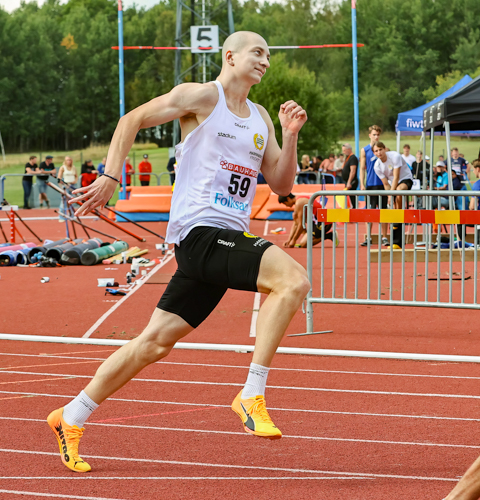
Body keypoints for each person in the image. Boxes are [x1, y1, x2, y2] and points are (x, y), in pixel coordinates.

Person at [47, 31, 310, 473]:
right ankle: (252, 394)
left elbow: (282, 184)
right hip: (200, 233)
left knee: (153, 343)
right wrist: (111, 175)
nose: (266, 60)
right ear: (230, 56)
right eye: (257, 52)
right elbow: (131, 119)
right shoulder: (202, 97)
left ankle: (70, 416)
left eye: (269, 55)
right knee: (293, 280)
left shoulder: (261, 117)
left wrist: (289, 135)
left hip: (223, 241)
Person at [373, 142, 413, 248]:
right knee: (393, 205)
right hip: (392, 185)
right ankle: (397, 236)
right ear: (374, 153)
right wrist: (389, 196)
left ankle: (398, 216)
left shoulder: (395, 156)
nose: (379, 152)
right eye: (376, 151)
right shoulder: (377, 166)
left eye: (380, 150)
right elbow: (386, 184)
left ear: (385, 149)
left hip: (405, 179)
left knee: (399, 191)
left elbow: (396, 177)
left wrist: (391, 195)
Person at [359, 125, 388, 247]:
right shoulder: (365, 150)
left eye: (378, 135)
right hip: (370, 184)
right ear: (370, 135)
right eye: (374, 134)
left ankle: (384, 237)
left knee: (383, 211)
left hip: (382, 184)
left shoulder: (383, 149)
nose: (376, 137)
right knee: (369, 211)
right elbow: (362, 168)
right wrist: (362, 183)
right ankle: (368, 237)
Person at [57, 156, 78, 222]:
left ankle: (71, 215)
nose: (69, 161)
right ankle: (61, 216)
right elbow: (59, 178)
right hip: (65, 186)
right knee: (64, 201)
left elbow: (76, 176)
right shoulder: (63, 167)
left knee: (71, 200)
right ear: (65, 161)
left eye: (70, 160)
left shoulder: (73, 167)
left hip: (72, 186)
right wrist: (61, 186)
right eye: (67, 160)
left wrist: (75, 181)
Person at [341, 143, 358, 208]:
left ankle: (354, 210)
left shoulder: (353, 158)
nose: (343, 152)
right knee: (350, 199)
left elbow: (353, 171)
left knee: (352, 199)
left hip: (351, 182)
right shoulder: (348, 158)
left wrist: (349, 182)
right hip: (347, 181)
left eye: (344, 150)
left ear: (349, 149)